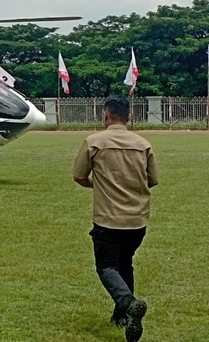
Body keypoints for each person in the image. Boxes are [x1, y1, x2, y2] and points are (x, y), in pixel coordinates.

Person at [72, 95, 159, 342]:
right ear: (129, 117)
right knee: (125, 263)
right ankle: (121, 316)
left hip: (108, 220)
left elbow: (79, 176)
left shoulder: (94, 142)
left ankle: (128, 304)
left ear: (106, 116)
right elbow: (152, 180)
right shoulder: (144, 144)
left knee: (107, 266)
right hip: (137, 220)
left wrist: (100, 185)